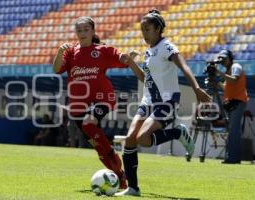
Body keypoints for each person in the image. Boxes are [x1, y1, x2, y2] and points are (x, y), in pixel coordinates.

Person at [115, 9, 211, 196]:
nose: (144, 33)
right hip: (148, 101)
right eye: (142, 29)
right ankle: (133, 188)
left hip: (166, 101)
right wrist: (131, 63)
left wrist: (196, 88)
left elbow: (183, 65)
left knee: (143, 137)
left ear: (158, 28)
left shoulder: (167, 46)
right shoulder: (149, 52)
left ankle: (178, 132)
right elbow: (146, 79)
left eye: (147, 29)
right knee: (130, 140)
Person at [53, 16, 140, 189]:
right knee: (98, 148)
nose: (82, 33)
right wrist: (59, 53)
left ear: (93, 32)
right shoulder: (70, 52)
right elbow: (56, 70)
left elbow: (120, 58)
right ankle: (121, 178)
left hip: (102, 98)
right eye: (79, 30)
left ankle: (116, 162)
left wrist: (126, 58)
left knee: (88, 122)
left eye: (86, 29)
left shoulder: (102, 50)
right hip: (78, 106)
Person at [215, 49, 249, 164]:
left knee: (234, 131)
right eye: (221, 59)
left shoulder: (236, 66)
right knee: (233, 131)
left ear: (230, 58)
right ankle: (233, 157)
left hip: (238, 102)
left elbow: (234, 80)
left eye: (225, 58)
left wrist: (219, 73)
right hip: (233, 103)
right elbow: (227, 87)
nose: (223, 61)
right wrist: (217, 83)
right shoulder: (229, 69)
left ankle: (233, 158)